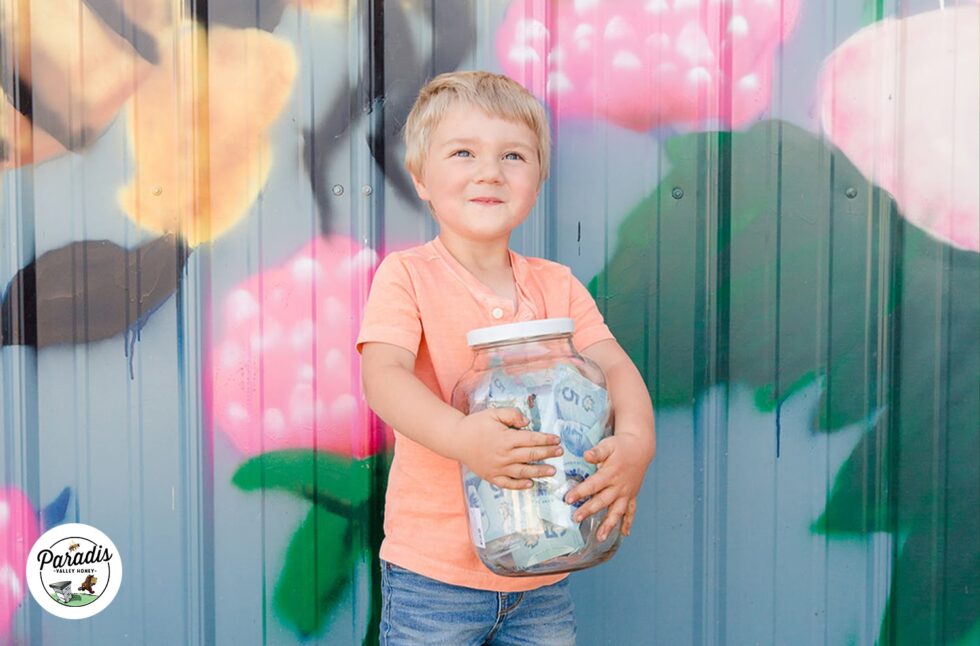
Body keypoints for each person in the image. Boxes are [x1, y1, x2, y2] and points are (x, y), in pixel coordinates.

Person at [357, 70, 655, 645]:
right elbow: (383, 377)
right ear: (420, 177)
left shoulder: (557, 285)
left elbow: (615, 366)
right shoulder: (408, 276)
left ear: (537, 180)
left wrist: (637, 443)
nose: (489, 171)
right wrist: (464, 438)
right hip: (433, 577)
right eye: (463, 152)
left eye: (514, 155)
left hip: (545, 572)